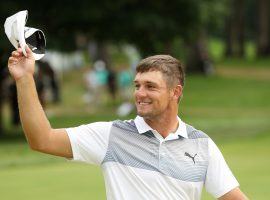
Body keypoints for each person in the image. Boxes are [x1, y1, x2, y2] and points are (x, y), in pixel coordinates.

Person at [8, 46, 248, 200]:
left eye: (150, 86)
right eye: (137, 85)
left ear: (175, 92)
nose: (139, 94)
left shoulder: (201, 145)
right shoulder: (112, 135)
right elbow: (42, 139)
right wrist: (25, 78)